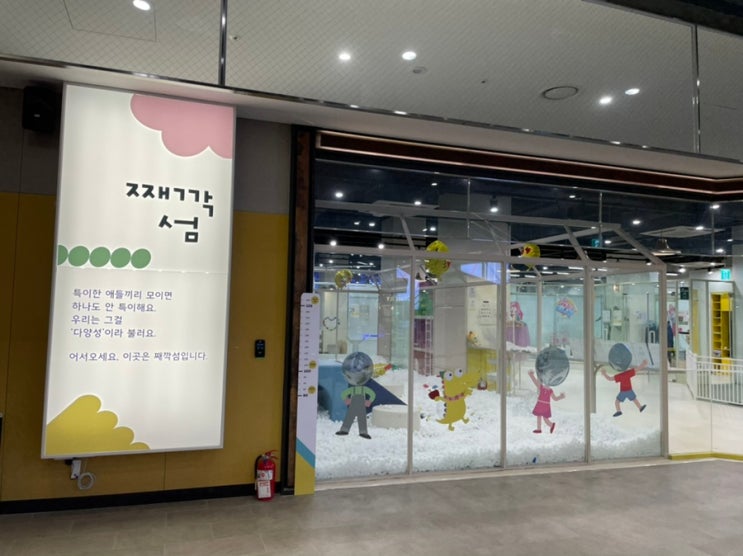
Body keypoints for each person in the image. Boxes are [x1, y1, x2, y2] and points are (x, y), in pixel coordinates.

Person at [601, 347, 648, 417]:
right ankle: (640, 407)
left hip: (623, 391)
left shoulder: (620, 376)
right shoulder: (628, 373)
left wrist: (604, 374)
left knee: (617, 401)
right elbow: (637, 369)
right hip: (629, 390)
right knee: (634, 399)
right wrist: (643, 364)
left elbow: (610, 379)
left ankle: (619, 411)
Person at [528, 369, 565, 433]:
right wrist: (531, 375)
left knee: (543, 417)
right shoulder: (543, 388)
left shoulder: (547, 389)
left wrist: (561, 397)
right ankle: (543, 428)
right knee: (541, 417)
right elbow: (555, 398)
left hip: (542, 405)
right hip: (543, 405)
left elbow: (555, 398)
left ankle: (550, 425)